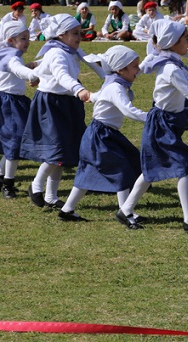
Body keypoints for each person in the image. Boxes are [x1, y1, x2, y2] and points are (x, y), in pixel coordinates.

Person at [117, 20, 188, 232]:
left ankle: (125, 210)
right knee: (183, 164)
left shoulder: (173, 61)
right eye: (186, 38)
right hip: (162, 123)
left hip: (169, 121)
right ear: (173, 42)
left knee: (152, 168)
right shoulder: (171, 68)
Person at [21, 14, 103, 209]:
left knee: (64, 152)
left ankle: (51, 196)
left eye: (80, 33)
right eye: (75, 33)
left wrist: (109, 78)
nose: (79, 37)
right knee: (56, 150)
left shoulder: (69, 50)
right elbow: (61, 75)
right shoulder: (57, 53)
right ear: (61, 35)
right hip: (52, 104)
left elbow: (92, 63)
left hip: (68, 104)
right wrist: (78, 89)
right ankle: (36, 185)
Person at [57, 46, 147, 223]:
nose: (139, 70)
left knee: (88, 172)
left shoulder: (113, 82)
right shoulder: (116, 87)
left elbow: (99, 96)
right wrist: (151, 117)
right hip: (101, 136)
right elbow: (128, 111)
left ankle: (67, 210)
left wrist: (92, 96)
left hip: (103, 133)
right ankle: (125, 213)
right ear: (121, 69)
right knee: (122, 169)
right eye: (135, 67)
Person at [0, 21, 39, 199]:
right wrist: (33, 75)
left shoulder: (5, 54)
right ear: (11, 40)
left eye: (28, 38)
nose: (27, 41)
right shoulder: (12, 58)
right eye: (23, 38)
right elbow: (17, 70)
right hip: (9, 103)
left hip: (13, 101)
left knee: (14, 143)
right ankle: (7, 183)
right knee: (14, 142)